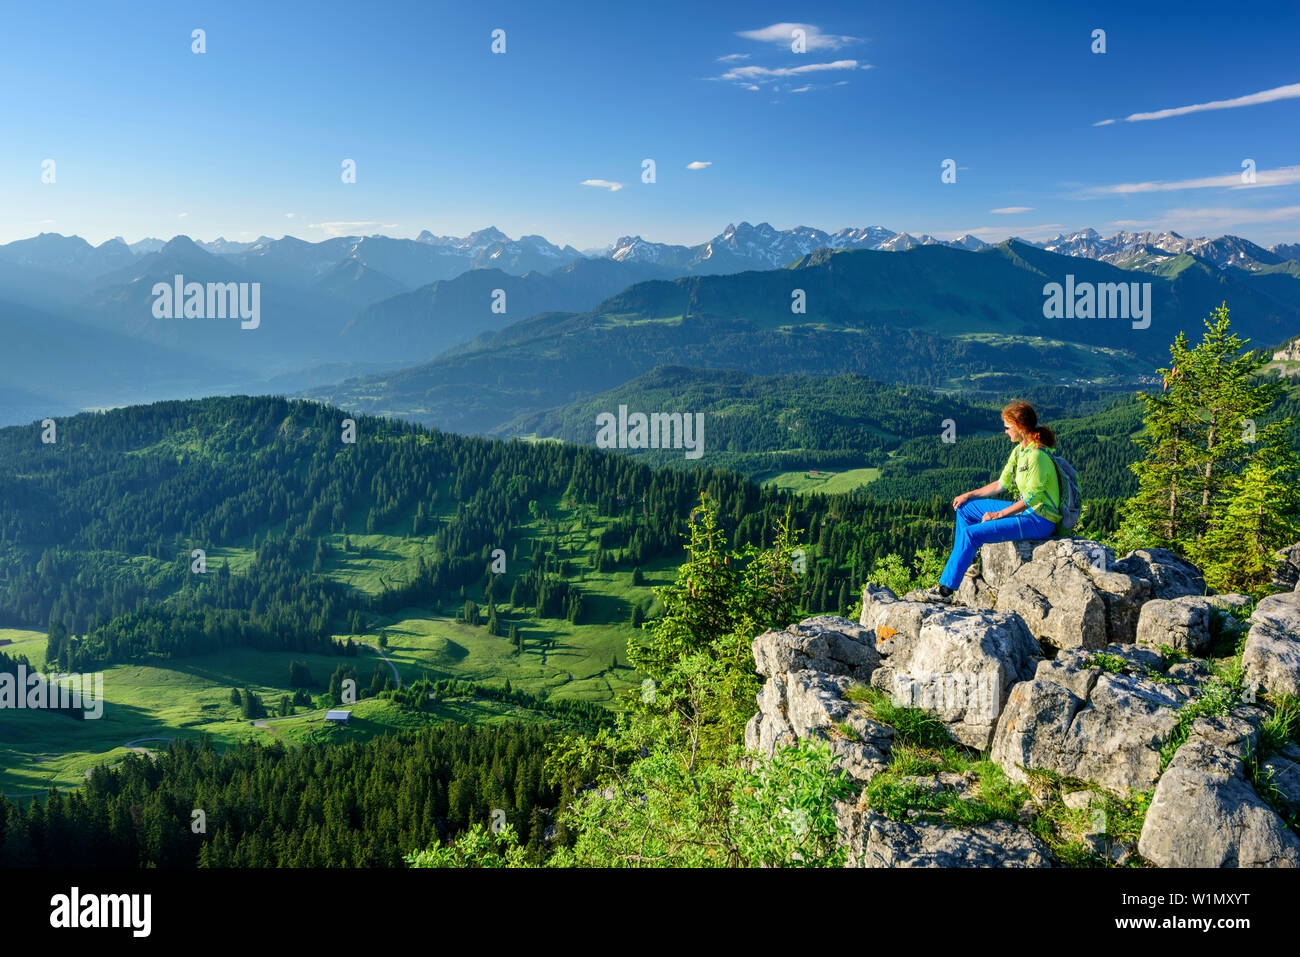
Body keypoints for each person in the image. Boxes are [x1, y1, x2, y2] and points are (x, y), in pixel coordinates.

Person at [918, 401, 1062, 601]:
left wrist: (998, 514)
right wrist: (969, 495)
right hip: (1026, 512)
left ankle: (945, 591)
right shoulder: (1020, 452)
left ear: (1020, 427)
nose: (1005, 432)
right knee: (965, 509)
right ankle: (965, 562)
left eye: (1007, 427)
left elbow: (1032, 498)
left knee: (971, 535)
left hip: (1040, 520)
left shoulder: (1037, 456)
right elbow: (1001, 484)